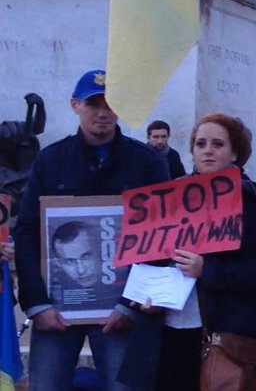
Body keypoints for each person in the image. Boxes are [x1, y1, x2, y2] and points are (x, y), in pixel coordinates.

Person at [13, 69, 169, 391]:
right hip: (56, 309)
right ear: (75, 105)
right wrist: (37, 303)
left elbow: (161, 237)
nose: (102, 112)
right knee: (47, 385)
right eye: (93, 103)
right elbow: (28, 233)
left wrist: (131, 304)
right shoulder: (50, 160)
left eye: (110, 104)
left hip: (120, 310)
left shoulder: (147, 163)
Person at [174, 113, 256, 390]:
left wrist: (208, 270)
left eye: (217, 144)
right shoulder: (172, 198)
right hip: (179, 334)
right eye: (200, 144)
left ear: (235, 152)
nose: (208, 151)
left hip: (237, 334)